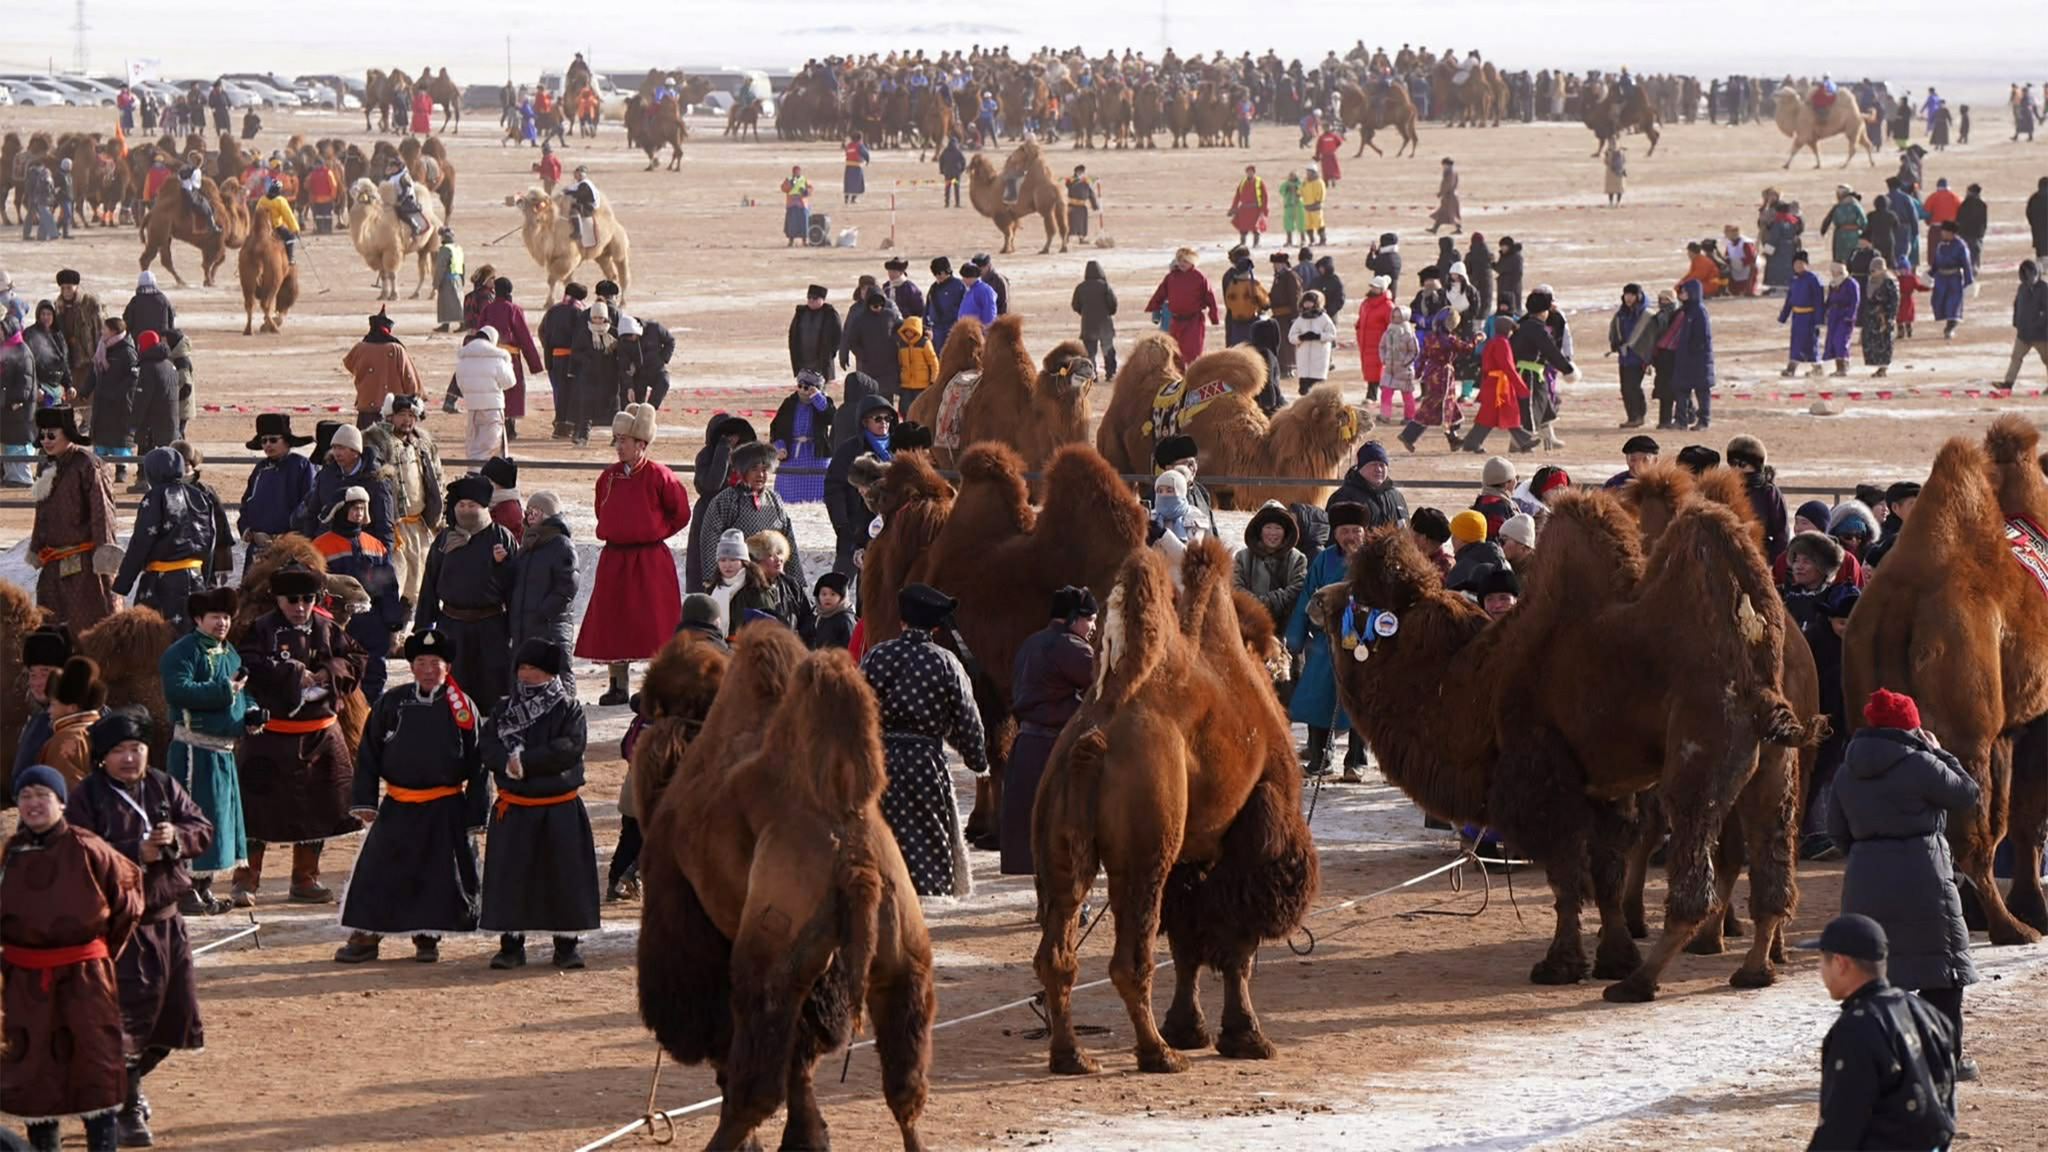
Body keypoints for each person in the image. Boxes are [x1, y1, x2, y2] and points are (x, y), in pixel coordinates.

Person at [63, 709, 210, 1147]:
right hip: (118, 929)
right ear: (103, 758)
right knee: (126, 1019)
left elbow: (201, 827)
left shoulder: (163, 786)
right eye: (119, 751)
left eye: (137, 749)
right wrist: (132, 851)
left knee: (172, 1018)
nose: (130, 758)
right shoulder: (87, 797)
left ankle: (115, 1086)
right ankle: (127, 1108)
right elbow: (75, 852)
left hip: (168, 924)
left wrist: (176, 839)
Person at [1, 763, 143, 1152]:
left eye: (42, 795)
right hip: (26, 982)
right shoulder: (10, 854)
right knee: (35, 1073)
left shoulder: (88, 848)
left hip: (85, 978)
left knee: (93, 1067)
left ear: (61, 802)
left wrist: (97, 954)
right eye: (25, 796)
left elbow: (128, 902)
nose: (33, 804)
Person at [333, 628, 487, 965]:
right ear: (411, 666)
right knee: (378, 871)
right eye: (421, 661)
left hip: (445, 807)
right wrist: (365, 801)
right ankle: (365, 937)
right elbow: (369, 753)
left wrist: (476, 813)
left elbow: (479, 764)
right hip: (398, 806)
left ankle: (427, 936)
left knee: (439, 875)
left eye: (436, 662)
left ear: (448, 667)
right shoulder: (392, 701)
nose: (429, 669)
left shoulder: (462, 708)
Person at [232, 561, 365, 906]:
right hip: (270, 736)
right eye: (292, 599)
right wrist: (290, 672)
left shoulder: (327, 627)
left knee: (319, 808)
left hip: (320, 735)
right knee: (256, 810)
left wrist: (327, 672)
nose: (300, 606)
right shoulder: (259, 630)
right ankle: (246, 879)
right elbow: (247, 664)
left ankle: (305, 878)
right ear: (277, 598)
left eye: (307, 598)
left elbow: (354, 658)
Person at [859, 584, 988, 897]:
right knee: (926, 834)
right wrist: (977, 760)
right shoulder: (946, 662)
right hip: (925, 761)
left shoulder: (877, 655)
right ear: (934, 627)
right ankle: (922, 910)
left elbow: (856, 707)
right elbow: (966, 717)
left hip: (881, 759)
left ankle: (881, 894)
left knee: (881, 832)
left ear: (902, 621)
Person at [479, 638, 599, 971]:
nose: (528, 675)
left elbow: (570, 747)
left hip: (558, 806)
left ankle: (565, 945)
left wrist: (526, 761)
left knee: (563, 876)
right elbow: (486, 744)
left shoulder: (568, 708)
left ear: (551, 673)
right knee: (511, 877)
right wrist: (506, 762)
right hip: (515, 806)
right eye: (524, 668)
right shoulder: (504, 709)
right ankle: (511, 945)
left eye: (535, 669)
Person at [1804, 913, 1959, 1151]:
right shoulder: (1929, 1014)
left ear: (1841, 963)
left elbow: (1841, 1127)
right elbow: (1945, 1106)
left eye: (1822, 962)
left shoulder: (1857, 1028)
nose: (1821, 971)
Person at [577, 403, 691, 706]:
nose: (619, 447)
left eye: (624, 441)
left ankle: (656, 683)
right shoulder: (609, 477)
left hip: (650, 559)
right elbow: (601, 508)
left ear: (641, 444)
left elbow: (680, 512)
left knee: (654, 623)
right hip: (615, 557)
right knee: (615, 621)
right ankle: (617, 683)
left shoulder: (659, 476)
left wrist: (654, 531)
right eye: (617, 441)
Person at [1001, 587, 1098, 876]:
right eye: (1090, 619)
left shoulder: (1030, 644)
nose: (1093, 627)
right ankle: (1069, 901)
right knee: (1068, 826)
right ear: (1072, 618)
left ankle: (1050, 902)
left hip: (1028, 747)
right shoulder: (1071, 647)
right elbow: (1105, 684)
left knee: (1041, 833)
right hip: (1057, 750)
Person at [416, 473, 518, 717]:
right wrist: (423, 626)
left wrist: (502, 565)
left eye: (472, 505)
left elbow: (515, 585)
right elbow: (429, 582)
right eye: (461, 505)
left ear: (484, 507)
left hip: (491, 626)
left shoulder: (501, 537)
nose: (466, 510)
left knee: (493, 687)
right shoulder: (444, 540)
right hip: (452, 626)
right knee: (454, 689)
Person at [1288, 502, 1368, 779]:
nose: (1351, 537)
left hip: (1365, 643)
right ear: (1335, 534)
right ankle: (1320, 757)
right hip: (1326, 641)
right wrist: (1295, 636)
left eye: (1356, 531)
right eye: (1345, 531)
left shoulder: (1374, 561)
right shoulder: (1324, 560)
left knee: (1360, 700)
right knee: (1318, 697)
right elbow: (1307, 595)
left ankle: (1356, 761)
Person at [110, 446, 228, 631]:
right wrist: (205, 578)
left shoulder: (156, 497)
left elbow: (141, 542)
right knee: (193, 634)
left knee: (157, 637)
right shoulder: (200, 496)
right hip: (196, 578)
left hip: (162, 584)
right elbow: (210, 539)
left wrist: (122, 584)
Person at [27, 406, 119, 630]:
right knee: (52, 630)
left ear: (67, 432)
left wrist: (104, 556)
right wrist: (35, 547)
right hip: (52, 566)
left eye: (51, 435)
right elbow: (42, 515)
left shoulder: (89, 465)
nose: (46, 441)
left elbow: (102, 513)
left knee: (87, 627)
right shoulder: (46, 465)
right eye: (42, 435)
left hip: (85, 567)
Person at [508, 491, 577, 690]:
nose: (529, 515)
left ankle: (566, 717)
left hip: (550, 627)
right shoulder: (528, 545)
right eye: (528, 511)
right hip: (525, 625)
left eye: (535, 511)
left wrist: (542, 612)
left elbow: (567, 586)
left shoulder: (561, 544)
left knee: (558, 675)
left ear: (548, 514)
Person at [478, 279, 544, 440]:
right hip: (510, 357)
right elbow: (525, 337)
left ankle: (494, 425)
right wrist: (534, 364)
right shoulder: (514, 309)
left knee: (494, 389)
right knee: (512, 389)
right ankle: (509, 427)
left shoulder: (487, 309)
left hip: (489, 356)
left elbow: (479, 332)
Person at [1461, 314, 1533, 453]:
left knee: (1493, 415)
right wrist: (1522, 387)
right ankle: (1525, 441)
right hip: (1499, 386)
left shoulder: (1492, 341)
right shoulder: (1502, 343)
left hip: (1492, 383)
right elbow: (1508, 367)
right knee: (1500, 414)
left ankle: (1524, 441)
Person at [343, 308, 421, 430]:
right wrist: (414, 399)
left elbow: (349, 364)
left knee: (367, 444)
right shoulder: (396, 349)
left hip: (366, 407)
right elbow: (409, 379)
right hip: (393, 410)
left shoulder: (360, 347)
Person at [769, 370, 837, 504]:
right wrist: (780, 447)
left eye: (807, 388)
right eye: (800, 386)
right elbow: (777, 428)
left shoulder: (823, 402)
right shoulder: (789, 403)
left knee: (819, 498)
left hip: (816, 453)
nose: (803, 391)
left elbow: (831, 418)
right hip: (792, 453)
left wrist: (817, 398)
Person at [1146, 247, 1219, 365]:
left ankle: (1192, 377)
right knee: (1175, 352)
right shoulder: (1171, 277)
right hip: (1175, 320)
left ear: (1192, 262)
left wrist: (1214, 316)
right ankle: (1178, 379)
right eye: (1180, 261)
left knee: (1192, 353)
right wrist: (1154, 306)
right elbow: (1160, 293)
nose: (1182, 264)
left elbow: (1210, 297)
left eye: (1185, 261)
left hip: (1193, 321)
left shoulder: (1199, 277)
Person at [454, 325, 516, 460]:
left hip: (472, 408)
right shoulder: (497, 358)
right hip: (493, 408)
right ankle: (486, 476)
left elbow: (460, 384)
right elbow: (509, 382)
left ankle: (473, 472)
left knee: (474, 444)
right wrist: (509, 364)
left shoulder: (463, 358)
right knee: (492, 447)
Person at [1726, 435, 1789, 564]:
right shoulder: (1724, 487)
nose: (1737, 468)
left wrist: (1772, 561)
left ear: (1756, 465)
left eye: (1742, 464)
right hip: (1728, 556)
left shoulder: (1768, 491)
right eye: (1733, 463)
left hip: (1760, 557)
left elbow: (1781, 533)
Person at [1779, 251, 1827, 375]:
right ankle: (1791, 368)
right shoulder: (1794, 279)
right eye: (1796, 264)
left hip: (1809, 316)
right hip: (1797, 317)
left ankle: (1817, 367)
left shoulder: (1813, 279)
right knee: (1796, 342)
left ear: (1806, 264)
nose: (1798, 266)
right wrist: (1783, 316)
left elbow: (1818, 300)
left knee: (1810, 342)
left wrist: (1818, 320)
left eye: (1801, 263)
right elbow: (1790, 299)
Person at [1609, 283, 1650, 428]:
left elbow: (1650, 336)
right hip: (1624, 356)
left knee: (1633, 386)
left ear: (1638, 296)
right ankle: (1632, 416)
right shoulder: (1621, 313)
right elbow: (1615, 330)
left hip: (1638, 357)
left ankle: (1638, 415)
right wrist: (1615, 344)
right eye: (1626, 294)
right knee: (1625, 388)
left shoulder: (1645, 314)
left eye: (1632, 295)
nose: (1629, 298)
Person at [1928, 221, 1974, 339]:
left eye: (1944, 231)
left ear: (1950, 233)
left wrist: (1969, 281)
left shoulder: (1960, 246)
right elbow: (1936, 262)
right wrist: (1930, 274)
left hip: (1954, 279)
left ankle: (1950, 326)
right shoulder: (1941, 245)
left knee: (1953, 304)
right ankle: (1948, 322)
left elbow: (1966, 264)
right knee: (1938, 301)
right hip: (1941, 279)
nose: (1942, 234)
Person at [1071, 260, 1118, 376]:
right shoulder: (1105, 286)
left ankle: (1091, 374)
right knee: (1108, 348)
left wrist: (1084, 313)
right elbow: (1113, 304)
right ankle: (1110, 372)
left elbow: (1075, 305)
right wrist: (1109, 313)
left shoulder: (1080, 288)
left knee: (1090, 352)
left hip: (1088, 325)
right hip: (1105, 323)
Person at [2005, 260, 2048, 386]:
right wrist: (2016, 321)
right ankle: (2008, 383)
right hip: (2023, 333)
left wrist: (2038, 324)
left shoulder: (2044, 289)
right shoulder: (2022, 288)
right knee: (2016, 358)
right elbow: (2017, 305)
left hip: (2041, 335)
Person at [1288, 290, 1338, 391]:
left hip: (1319, 356)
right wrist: (1301, 338)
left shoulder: (1324, 318)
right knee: (1304, 389)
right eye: (1306, 302)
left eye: (1310, 302)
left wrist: (1319, 336)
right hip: (1304, 357)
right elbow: (1291, 337)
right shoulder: (1300, 319)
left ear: (1315, 303)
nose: (1307, 304)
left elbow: (1332, 334)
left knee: (1318, 388)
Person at [1860, 261, 1899, 378]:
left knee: (1884, 342)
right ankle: (1877, 365)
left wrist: (1891, 317)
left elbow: (1894, 301)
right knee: (1871, 341)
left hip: (1884, 316)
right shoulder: (1870, 281)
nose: (1872, 273)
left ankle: (1883, 368)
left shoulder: (1889, 281)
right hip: (1871, 317)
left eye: (1874, 270)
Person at [895, 316, 939, 413]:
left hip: (922, 384)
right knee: (904, 409)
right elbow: (899, 363)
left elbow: (933, 362)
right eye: (906, 331)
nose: (909, 333)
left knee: (922, 410)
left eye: (911, 330)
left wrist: (933, 380)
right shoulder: (901, 344)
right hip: (906, 384)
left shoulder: (924, 343)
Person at [1821, 185, 1866, 265]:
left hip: (1840, 236)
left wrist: (1823, 231)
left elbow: (1828, 220)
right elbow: (1864, 222)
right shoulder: (1856, 205)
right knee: (1854, 257)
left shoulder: (1838, 207)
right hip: (1854, 235)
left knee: (1840, 260)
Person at [810, 572, 856, 649]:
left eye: (833, 594)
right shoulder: (820, 617)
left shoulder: (844, 619)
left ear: (841, 597)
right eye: (824, 594)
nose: (827, 598)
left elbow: (850, 647)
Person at [431, 228, 464, 332]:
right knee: (456, 302)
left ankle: (460, 323)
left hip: (447, 280)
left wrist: (435, 284)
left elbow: (440, 268)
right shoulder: (457, 248)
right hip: (457, 278)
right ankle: (446, 324)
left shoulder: (445, 249)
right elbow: (463, 266)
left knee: (446, 303)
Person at [1228, 165, 1268, 248]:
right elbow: (1237, 195)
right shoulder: (1243, 182)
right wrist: (1233, 207)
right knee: (1243, 228)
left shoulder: (1259, 182)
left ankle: (1256, 244)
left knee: (1255, 227)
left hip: (1255, 208)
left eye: (1251, 171)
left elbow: (1264, 196)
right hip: (1244, 209)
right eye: (1248, 172)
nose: (1249, 173)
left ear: (1254, 172)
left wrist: (1263, 209)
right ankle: (1243, 244)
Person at [1065, 165, 1098, 244]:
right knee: (1070, 223)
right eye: (1079, 172)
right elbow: (1068, 184)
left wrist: (1094, 205)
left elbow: (1091, 194)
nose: (1081, 173)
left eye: (1082, 172)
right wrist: (1076, 179)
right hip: (1072, 205)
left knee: (1082, 224)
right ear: (1076, 172)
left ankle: (1082, 239)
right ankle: (1066, 238)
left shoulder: (1086, 182)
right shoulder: (1071, 180)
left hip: (1082, 206)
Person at [1429, 156, 1462, 234]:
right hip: (1450, 195)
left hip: (1449, 196)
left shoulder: (1449, 172)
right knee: (1443, 213)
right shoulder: (1453, 171)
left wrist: (1441, 193)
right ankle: (1435, 229)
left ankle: (1458, 229)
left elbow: (1447, 184)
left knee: (1449, 213)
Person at [781, 165, 811, 247]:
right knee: (791, 224)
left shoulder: (804, 179)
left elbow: (810, 188)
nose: (796, 172)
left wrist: (805, 191)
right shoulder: (789, 179)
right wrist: (790, 184)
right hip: (792, 203)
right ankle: (791, 241)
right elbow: (783, 188)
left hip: (802, 204)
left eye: (798, 171)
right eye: (795, 171)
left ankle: (804, 241)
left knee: (803, 223)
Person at [1301, 166, 1329, 246]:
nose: (1308, 174)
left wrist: (1318, 201)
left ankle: (1322, 239)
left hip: (1315, 206)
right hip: (1307, 206)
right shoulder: (1305, 182)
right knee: (1308, 224)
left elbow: (1322, 192)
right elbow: (1301, 190)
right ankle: (1311, 240)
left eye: (1309, 172)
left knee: (1318, 223)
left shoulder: (1319, 182)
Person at [937, 136, 966, 208]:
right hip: (956, 174)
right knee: (956, 188)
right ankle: (957, 203)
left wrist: (942, 170)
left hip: (948, 174)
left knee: (947, 188)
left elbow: (941, 161)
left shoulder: (945, 151)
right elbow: (963, 161)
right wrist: (961, 169)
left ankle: (947, 203)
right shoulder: (958, 151)